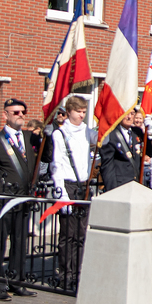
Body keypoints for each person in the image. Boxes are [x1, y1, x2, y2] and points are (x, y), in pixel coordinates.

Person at [0, 98, 39, 301]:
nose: (21, 115)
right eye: (15, 112)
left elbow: (47, 155)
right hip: (2, 202)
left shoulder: (30, 138)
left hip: (23, 200)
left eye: (23, 112)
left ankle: (17, 281)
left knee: (20, 242)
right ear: (5, 115)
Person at [51, 95, 97, 283]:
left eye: (84, 112)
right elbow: (57, 164)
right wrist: (60, 191)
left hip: (83, 185)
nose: (81, 115)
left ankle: (79, 272)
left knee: (81, 233)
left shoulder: (87, 131)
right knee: (67, 235)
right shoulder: (60, 133)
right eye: (78, 111)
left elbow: (105, 137)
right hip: (68, 184)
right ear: (68, 111)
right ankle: (65, 274)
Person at [100, 108, 152, 191]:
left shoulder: (137, 132)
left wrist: (149, 134)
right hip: (120, 185)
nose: (129, 117)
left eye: (132, 114)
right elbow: (107, 166)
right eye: (126, 113)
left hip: (137, 184)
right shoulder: (111, 135)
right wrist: (112, 190)